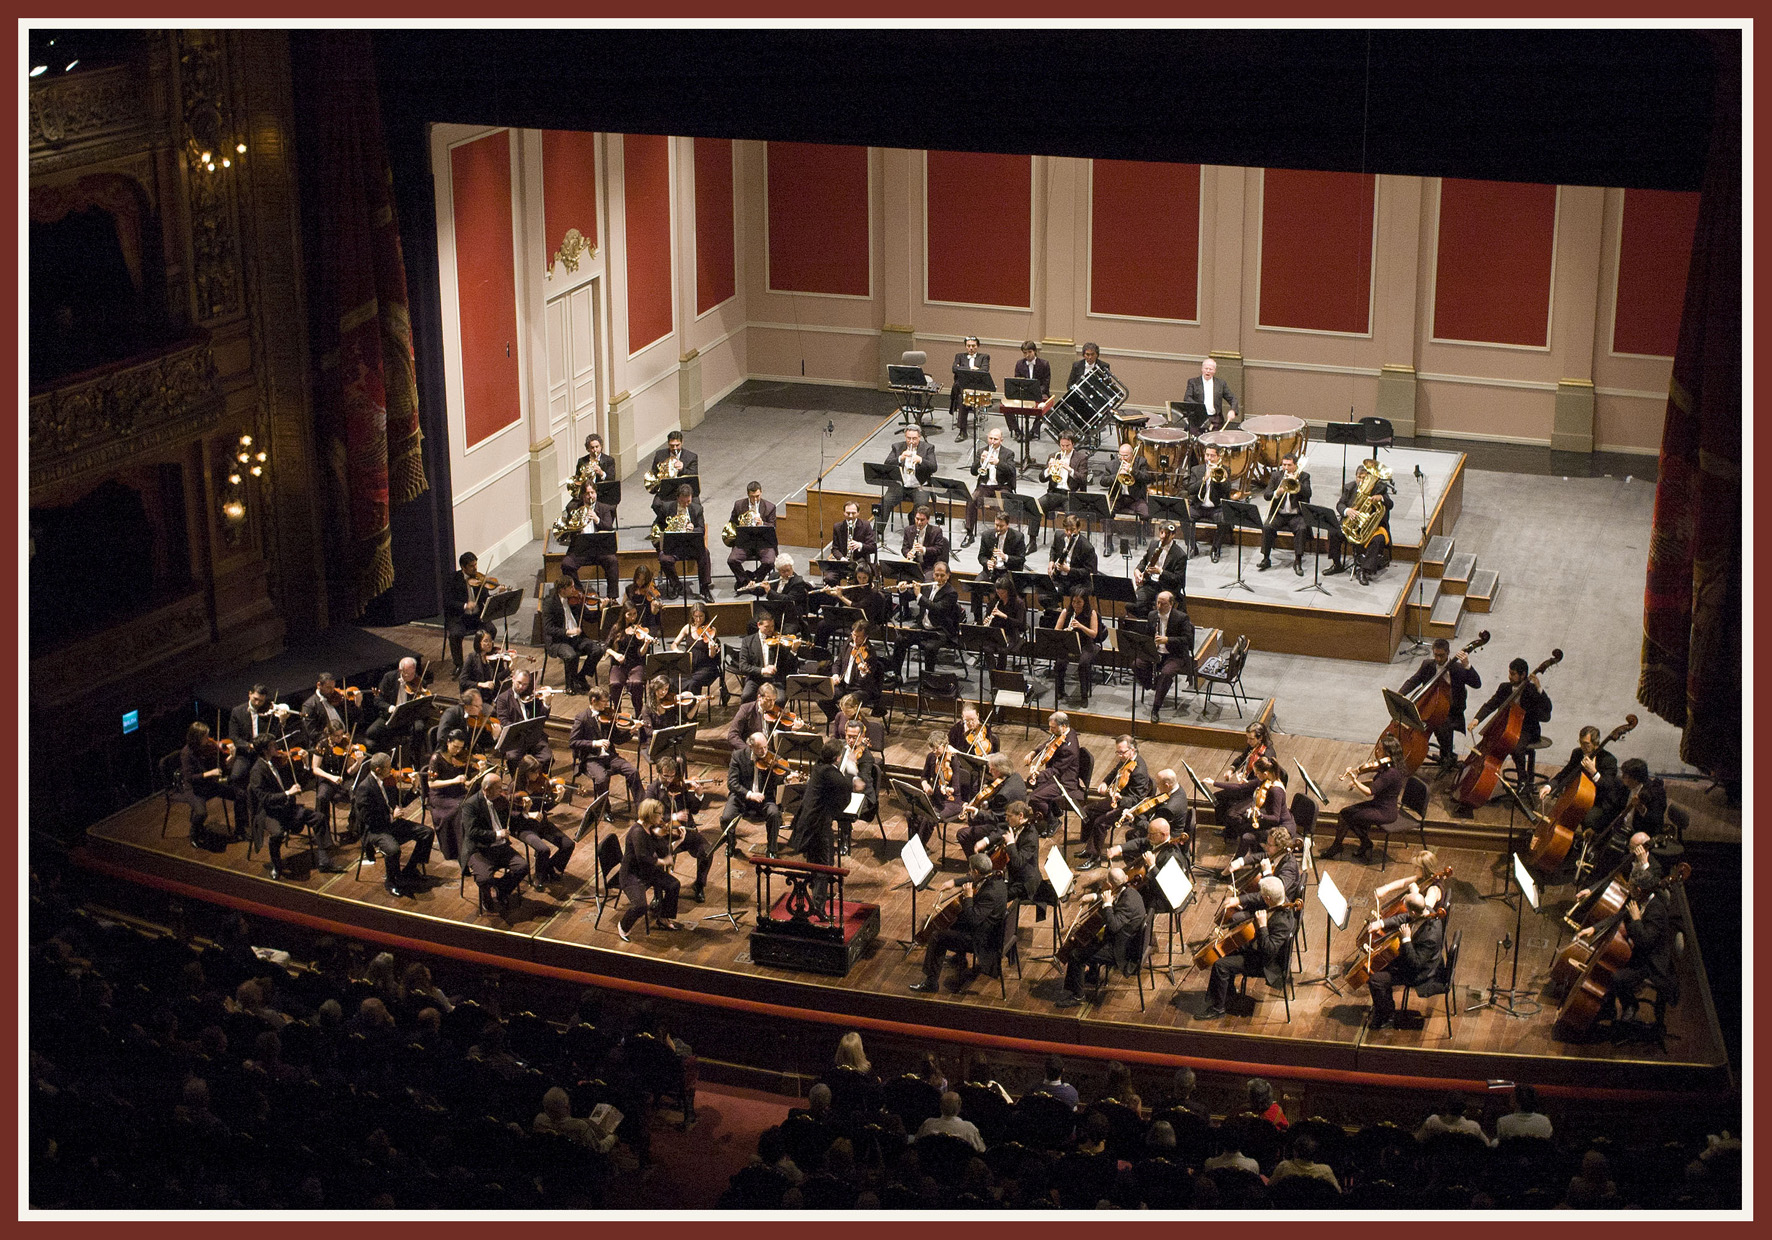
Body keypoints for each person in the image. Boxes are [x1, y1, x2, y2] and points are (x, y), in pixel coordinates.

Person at [911, 852, 1008, 995]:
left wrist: (968, 897)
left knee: (937, 937)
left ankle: (931, 983)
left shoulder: (989, 894)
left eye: (970, 870)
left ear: (976, 871)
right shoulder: (996, 878)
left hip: (982, 941)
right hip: (990, 930)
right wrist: (954, 882)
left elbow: (972, 919)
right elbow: (974, 879)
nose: (969, 873)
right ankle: (959, 959)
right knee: (954, 920)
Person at [1202, 875, 1295, 1019]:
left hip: (1267, 964)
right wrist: (1238, 900)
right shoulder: (1280, 900)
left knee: (1220, 965)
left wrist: (1263, 926)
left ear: (1268, 899)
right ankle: (1228, 992)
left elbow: (1269, 950)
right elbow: (1257, 897)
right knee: (1228, 949)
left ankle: (1218, 1009)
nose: (1260, 897)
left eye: (1263, 896)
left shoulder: (1283, 922)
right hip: (1259, 950)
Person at [1056, 865, 1145, 1008]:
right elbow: (1115, 897)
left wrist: (1107, 905)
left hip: (1121, 951)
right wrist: (1095, 897)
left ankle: (1078, 996)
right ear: (1126, 878)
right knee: (1092, 937)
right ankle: (1092, 976)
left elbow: (1114, 925)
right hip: (1126, 941)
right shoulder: (1130, 892)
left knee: (1075, 955)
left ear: (1109, 884)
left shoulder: (1127, 902)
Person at [1398, 637, 1484, 774]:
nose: (1438, 659)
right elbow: (1413, 681)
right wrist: (1400, 694)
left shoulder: (1458, 668)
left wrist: (1467, 665)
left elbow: (1477, 684)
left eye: (1441, 655)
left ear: (1448, 652)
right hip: (1429, 707)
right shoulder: (1427, 665)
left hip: (1451, 711)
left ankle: (1447, 757)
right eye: (1436, 655)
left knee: (1442, 727)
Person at [353, 752, 433, 898]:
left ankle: (410, 870)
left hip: (392, 824)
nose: (392, 770)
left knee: (427, 833)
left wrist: (414, 788)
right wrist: (391, 816)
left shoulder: (388, 781)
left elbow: (401, 802)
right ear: (378, 770)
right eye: (388, 767)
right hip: (375, 830)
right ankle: (391, 882)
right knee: (393, 850)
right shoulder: (365, 788)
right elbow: (367, 818)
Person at [246, 737, 325, 882]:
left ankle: (324, 859)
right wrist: (288, 793)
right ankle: (276, 865)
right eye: (273, 745)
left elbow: (300, 783)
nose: (277, 747)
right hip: (268, 812)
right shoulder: (257, 771)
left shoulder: (278, 762)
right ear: (265, 750)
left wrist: (306, 764)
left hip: (286, 807)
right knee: (277, 834)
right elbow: (265, 799)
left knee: (319, 818)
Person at [1365, 890, 1446, 1029]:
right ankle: (1384, 1004)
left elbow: (1415, 964)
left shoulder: (1430, 936)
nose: (1407, 913)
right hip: (1414, 959)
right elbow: (1405, 917)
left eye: (1407, 909)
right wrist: (1382, 923)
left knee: (1375, 980)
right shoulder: (1426, 911)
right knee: (1380, 965)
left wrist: (1406, 940)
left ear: (1413, 912)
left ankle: (1386, 1017)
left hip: (1421, 974)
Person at [1470, 657, 1554, 787]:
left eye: (1513, 674)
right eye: (1509, 673)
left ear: (1523, 675)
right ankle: (1480, 777)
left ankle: (1523, 781)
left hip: (1527, 730)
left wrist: (1539, 688)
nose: (1509, 677)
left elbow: (1547, 710)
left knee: (1516, 748)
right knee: (1486, 744)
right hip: (1506, 727)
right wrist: (1477, 719)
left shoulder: (1532, 690)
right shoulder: (1504, 687)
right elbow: (1491, 704)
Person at [643, 755, 717, 902]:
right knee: (658, 859)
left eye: (672, 776)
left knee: (706, 852)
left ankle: (699, 885)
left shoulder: (680, 786)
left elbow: (693, 810)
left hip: (686, 830)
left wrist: (699, 795)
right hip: (664, 833)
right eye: (666, 776)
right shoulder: (653, 790)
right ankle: (657, 895)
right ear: (658, 773)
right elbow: (649, 814)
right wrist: (673, 816)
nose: (670, 780)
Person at [1324, 733, 1407, 859]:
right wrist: (1359, 783)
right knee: (1346, 813)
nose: (1377, 751)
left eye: (1380, 749)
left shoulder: (1391, 773)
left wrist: (1355, 781)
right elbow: (1376, 782)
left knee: (1347, 816)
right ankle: (1363, 843)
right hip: (1377, 805)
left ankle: (1341, 846)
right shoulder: (1387, 767)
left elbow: (1369, 792)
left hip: (1385, 812)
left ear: (1389, 753)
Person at [788, 738, 850, 906]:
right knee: (824, 865)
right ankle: (818, 907)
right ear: (837, 758)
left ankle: (816, 898)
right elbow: (845, 790)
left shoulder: (819, 766)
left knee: (816, 862)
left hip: (809, 822)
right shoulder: (830, 773)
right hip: (817, 826)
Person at [460, 772, 529, 918]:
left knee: (522, 867)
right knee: (484, 879)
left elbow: (513, 823)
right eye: (498, 788)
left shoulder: (500, 801)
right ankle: (486, 897)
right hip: (480, 850)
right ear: (487, 789)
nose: (502, 790)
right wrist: (497, 835)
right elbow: (472, 832)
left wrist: (525, 812)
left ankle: (502, 889)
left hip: (500, 847)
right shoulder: (471, 805)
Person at [618, 799, 690, 938]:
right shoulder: (638, 832)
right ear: (650, 814)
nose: (662, 817)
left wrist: (679, 840)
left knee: (673, 885)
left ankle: (663, 918)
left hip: (647, 870)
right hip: (631, 875)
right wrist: (662, 861)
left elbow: (664, 851)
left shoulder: (651, 828)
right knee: (640, 906)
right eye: (659, 814)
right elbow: (643, 858)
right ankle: (623, 926)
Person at [1079, 734, 1154, 867]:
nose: (1119, 755)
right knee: (1087, 810)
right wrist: (1105, 782)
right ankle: (1088, 848)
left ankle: (1095, 859)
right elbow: (1115, 772)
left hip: (1127, 808)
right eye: (1117, 752)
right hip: (1117, 799)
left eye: (1122, 752)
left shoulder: (1139, 772)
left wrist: (1120, 798)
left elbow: (1136, 799)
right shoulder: (1126, 759)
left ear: (1132, 750)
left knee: (1100, 822)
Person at [568, 686, 645, 812]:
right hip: (591, 759)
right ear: (593, 700)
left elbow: (617, 739)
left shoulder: (608, 716)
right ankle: (605, 810)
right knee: (602, 778)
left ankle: (643, 809)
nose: (607, 705)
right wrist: (595, 743)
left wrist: (632, 730)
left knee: (633, 771)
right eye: (604, 702)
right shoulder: (582, 718)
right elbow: (573, 742)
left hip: (610, 756)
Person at [1542, 724, 1628, 833]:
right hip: (1579, 797)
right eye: (1581, 742)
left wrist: (1594, 772)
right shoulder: (1577, 753)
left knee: (1588, 820)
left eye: (1586, 744)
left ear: (1595, 743)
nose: (1582, 747)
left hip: (1599, 802)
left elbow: (1608, 787)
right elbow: (1565, 773)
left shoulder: (1608, 760)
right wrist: (1549, 786)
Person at [509, 754, 576, 886]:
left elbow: (545, 806)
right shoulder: (514, 787)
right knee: (543, 850)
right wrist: (528, 814)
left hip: (540, 822)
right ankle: (539, 877)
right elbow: (510, 814)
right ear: (526, 772)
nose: (538, 775)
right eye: (534, 772)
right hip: (522, 826)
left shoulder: (540, 784)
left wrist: (558, 799)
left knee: (568, 844)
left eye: (538, 771)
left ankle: (549, 867)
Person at [1128, 591, 1195, 720]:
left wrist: (1167, 640)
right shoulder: (1152, 615)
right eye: (1158, 603)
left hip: (1175, 655)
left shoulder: (1181, 618)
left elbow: (1188, 640)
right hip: (1156, 652)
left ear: (1171, 604)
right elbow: (1147, 636)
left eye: (1163, 604)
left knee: (1166, 673)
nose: (1159, 606)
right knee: (1136, 664)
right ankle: (1151, 685)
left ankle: (1155, 708)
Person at [1326, 458, 1394, 583]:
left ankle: (1364, 570)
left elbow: (1390, 504)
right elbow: (1340, 504)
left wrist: (1381, 498)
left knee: (1378, 539)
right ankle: (1337, 564)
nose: (1361, 480)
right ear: (1356, 477)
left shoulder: (1379, 488)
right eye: (1359, 477)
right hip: (1351, 525)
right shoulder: (1350, 487)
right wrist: (1347, 511)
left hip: (1371, 528)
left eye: (1364, 478)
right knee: (1333, 531)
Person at [889, 560, 960, 680]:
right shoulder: (927, 586)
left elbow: (936, 608)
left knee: (930, 648)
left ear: (948, 575)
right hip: (922, 626)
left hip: (940, 631)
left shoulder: (951, 593)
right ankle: (896, 676)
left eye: (942, 575)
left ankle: (928, 680)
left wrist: (919, 595)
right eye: (936, 575)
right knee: (901, 639)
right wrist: (903, 590)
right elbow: (909, 597)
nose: (939, 578)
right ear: (933, 574)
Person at [722, 732, 786, 856]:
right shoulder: (738, 756)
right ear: (751, 747)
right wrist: (749, 794)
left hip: (764, 798)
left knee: (774, 814)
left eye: (766, 747)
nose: (764, 751)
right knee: (726, 818)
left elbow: (778, 782)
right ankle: (730, 843)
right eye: (760, 748)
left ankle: (772, 849)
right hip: (742, 796)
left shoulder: (773, 759)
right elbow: (732, 783)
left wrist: (786, 778)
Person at [541, 574, 606, 695]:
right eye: (571, 587)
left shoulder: (576, 601)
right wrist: (567, 631)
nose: (574, 590)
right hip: (558, 641)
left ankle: (581, 676)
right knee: (571, 655)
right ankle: (569, 685)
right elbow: (548, 628)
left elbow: (590, 618)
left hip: (577, 639)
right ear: (562, 590)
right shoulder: (550, 603)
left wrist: (600, 608)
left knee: (598, 650)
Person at [954, 751, 1027, 854]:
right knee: (974, 821)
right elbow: (1000, 805)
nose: (989, 771)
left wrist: (976, 812)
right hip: (1013, 818)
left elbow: (996, 818)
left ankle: (977, 860)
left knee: (962, 834)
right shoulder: (1016, 777)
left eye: (992, 769)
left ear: (999, 770)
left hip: (1003, 826)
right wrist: (987, 803)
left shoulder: (1004, 794)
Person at [177, 721, 234, 851]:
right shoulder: (186, 753)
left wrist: (231, 757)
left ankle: (240, 830)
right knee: (201, 813)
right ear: (197, 738)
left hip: (208, 784)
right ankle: (194, 833)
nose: (208, 739)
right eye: (205, 737)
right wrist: (210, 773)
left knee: (239, 794)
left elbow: (221, 765)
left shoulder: (206, 747)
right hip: (194, 788)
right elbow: (189, 778)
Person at [654, 483, 713, 602]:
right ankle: (676, 585)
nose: (686, 504)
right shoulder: (667, 508)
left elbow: (701, 529)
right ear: (678, 498)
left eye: (688, 501)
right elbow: (657, 525)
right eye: (683, 502)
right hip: (673, 547)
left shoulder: (697, 509)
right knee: (664, 559)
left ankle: (705, 588)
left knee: (705, 553)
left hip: (691, 545)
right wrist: (659, 539)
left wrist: (693, 528)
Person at [1024, 711, 1081, 833]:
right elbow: (1048, 743)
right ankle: (1054, 809)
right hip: (1056, 776)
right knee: (1030, 781)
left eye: (1053, 728)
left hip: (1064, 781)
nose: (1050, 730)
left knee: (1034, 798)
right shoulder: (1065, 732)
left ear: (1063, 726)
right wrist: (1034, 752)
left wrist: (1039, 774)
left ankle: (1053, 822)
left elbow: (1057, 770)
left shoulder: (1069, 749)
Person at [1257, 452, 1312, 576]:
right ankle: (1266, 558)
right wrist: (1277, 493)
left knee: (1302, 528)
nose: (1286, 468)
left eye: (1289, 465)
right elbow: (1266, 495)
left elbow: (1308, 493)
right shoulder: (1276, 476)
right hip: (1279, 514)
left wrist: (1296, 482)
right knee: (1267, 526)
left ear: (1296, 465)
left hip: (1296, 515)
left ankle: (1298, 561)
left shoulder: (1304, 476)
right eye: (1284, 465)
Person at [424, 730, 476, 862]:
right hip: (440, 796)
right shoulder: (436, 758)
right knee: (460, 808)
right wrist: (453, 781)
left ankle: (473, 843)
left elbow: (465, 779)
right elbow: (431, 783)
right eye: (455, 747)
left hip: (456, 792)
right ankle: (460, 850)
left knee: (473, 802)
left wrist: (476, 776)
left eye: (460, 747)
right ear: (448, 742)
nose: (458, 751)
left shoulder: (458, 757)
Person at [831, 721, 880, 857]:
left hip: (862, 796)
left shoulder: (866, 757)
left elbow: (862, 782)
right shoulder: (840, 747)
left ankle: (844, 839)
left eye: (855, 737)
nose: (851, 740)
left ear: (862, 736)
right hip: (841, 791)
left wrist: (854, 771)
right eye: (849, 736)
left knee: (842, 806)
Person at [367, 656, 431, 757]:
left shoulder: (419, 682)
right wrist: (390, 707)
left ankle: (415, 757)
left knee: (419, 728)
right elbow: (378, 700)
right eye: (408, 674)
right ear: (400, 670)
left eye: (413, 673)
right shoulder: (389, 678)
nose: (412, 677)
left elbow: (423, 706)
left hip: (411, 717)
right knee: (371, 732)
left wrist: (421, 699)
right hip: (391, 716)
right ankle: (385, 755)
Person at [493, 668, 556, 771]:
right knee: (513, 758)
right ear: (513, 679)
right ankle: (520, 779)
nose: (521, 687)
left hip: (533, 736)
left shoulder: (532, 696)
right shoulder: (503, 698)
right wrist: (519, 727)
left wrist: (546, 703)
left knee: (547, 757)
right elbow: (504, 721)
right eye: (519, 683)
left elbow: (542, 718)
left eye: (525, 684)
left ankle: (537, 777)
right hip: (516, 739)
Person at [444, 550, 500, 666]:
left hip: (477, 618)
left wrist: (498, 594)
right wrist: (465, 605)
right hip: (460, 618)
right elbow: (448, 602)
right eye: (471, 566)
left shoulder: (479, 579)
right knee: (455, 635)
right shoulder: (452, 579)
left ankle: (482, 657)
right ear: (463, 567)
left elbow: (486, 599)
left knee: (491, 630)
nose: (475, 568)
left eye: (475, 565)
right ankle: (459, 665)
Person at [879, 425, 938, 530]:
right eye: (908, 438)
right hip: (900, 485)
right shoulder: (897, 447)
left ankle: (913, 525)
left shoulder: (928, 448)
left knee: (921, 504)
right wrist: (900, 458)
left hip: (919, 485)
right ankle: (877, 532)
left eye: (914, 438)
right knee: (886, 501)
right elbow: (887, 464)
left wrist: (921, 460)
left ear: (919, 437)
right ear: (905, 437)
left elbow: (933, 467)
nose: (911, 441)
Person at [1049, 588, 1100, 708]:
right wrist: (1065, 632)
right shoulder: (1066, 612)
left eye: (1079, 602)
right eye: (1073, 601)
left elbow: (1094, 634)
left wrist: (1081, 626)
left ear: (1085, 602)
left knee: (1083, 664)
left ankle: (1084, 695)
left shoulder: (1091, 613)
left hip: (1086, 644)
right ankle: (1060, 690)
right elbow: (1056, 630)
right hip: (1069, 643)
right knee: (1060, 662)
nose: (1076, 605)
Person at [734, 611, 799, 704]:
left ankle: (774, 714)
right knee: (746, 696)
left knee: (780, 700)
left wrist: (793, 650)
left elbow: (788, 665)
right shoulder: (747, 641)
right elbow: (743, 666)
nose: (770, 630)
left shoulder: (779, 641)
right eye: (767, 627)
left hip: (775, 680)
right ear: (759, 625)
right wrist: (762, 670)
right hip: (755, 679)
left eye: (772, 626)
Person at [1037, 435, 1091, 547]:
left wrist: (1070, 470)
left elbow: (1083, 479)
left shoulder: (1081, 458)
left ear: (1073, 444)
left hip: (1071, 494)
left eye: (1067, 446)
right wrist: (1048, 470)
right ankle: (1033, 541)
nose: (1064, 448)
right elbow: (1041, 479)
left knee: (1070, 518)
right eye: (1062, 446)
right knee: (1035, 507)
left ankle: (1071, 543)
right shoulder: (1053, 456)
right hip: (1054, 493)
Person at [602, 601, 656, 716]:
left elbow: (640, 654)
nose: (633, 617)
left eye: (635, 614)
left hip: (636, 663)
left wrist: (646, 644)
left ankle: (638, 713)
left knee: (636, 683)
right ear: (624, 614)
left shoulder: (639, 630)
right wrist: (616, 655)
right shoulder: (616, 628)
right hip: (619, 665)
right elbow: (606, 647)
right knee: (615, 684)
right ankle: (617, 712)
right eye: (629, 614)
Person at [1183, 443, 1233, 561]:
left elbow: (1227, 490)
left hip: (1216, 508)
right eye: (1207, 455)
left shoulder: (1225, 470)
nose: (1209, 458)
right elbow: (1190, 490)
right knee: (1184, 517)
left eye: (1212, 456)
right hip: (1198, 506)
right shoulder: (1196, 470)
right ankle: (1192, 547)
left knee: (1224, 519)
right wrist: (1203, 480)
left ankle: (1215, 548)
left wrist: (1217, 479)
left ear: (1218, 457)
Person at [725, 480, 779, 589]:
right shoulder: (739, 505)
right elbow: (732, 522)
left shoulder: (770, 507)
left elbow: (773, 526)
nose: (755, 499)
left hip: (764, 543)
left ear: (761, 493)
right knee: (732, 560)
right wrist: (741, 525)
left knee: (769, 562)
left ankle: (754, 578)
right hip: (745, 542)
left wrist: (762, 523)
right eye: (752, 496)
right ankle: (747, 581)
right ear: (748, 494)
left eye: (757, 496)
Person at [741, 553, 812, 635]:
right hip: (772, 614)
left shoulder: (798, 581)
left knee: (788, 632)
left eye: (788, 570)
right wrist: (753, 588)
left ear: (792, 567)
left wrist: (770, 591)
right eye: (783, 571)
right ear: (778, 570)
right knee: (752, 625)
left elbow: (788, 599)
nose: (787, 573)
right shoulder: (773, 576)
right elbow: (761, 591)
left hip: (790, 617)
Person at [671, 600, 727, 702]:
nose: (698, 619)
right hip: (690, 666)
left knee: (693, 682)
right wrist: (677, 651)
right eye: (695, 616)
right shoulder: (687, 628)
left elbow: (712, 656)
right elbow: (674, 644)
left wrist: (711, 648)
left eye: (701, 616)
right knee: (674, 679)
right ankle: (679, 706)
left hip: (707, 668)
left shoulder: (711, 630)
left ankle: (692, 708)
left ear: (705, 615)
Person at [971, 510, 1026, 608]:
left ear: (1008, 525)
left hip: (1008, 571)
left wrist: (1005, 557)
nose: (998, 528)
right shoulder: (986, 535)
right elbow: (981, 556)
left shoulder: (1018, 537)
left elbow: (1021, 559)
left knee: (1005, 588)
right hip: (991, 571)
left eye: (1001, 526)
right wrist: (987, 562)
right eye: (996, 525)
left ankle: (1005, 613)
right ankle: (977, 616)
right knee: (976, 586)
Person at [1131, 520, 1187, 613]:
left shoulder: (1180, 555)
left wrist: (1161, 572)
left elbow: (1178, 579)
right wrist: (1137, 570)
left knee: (1161, 608)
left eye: (1167, 534)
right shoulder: (1153, 544)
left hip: (1166, 587)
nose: (1163, 536)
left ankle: (1154, 617)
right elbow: (1144, 561)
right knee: (1131, 605)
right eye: (1162, 532)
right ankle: (1150, 617)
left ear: (1173, 535)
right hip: (1150, 584)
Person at [1100, 440, 1153, 532]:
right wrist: (1117, 476)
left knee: (1146, 514)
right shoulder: (1111, 464)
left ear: (1132, 455)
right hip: (1118, 498)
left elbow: (1147, 478)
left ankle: (1144, 534)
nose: (1122, 458)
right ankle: (1108, 537)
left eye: (1125, 456)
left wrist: (1132, 470)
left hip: (1135, 498)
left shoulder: (1141, 462)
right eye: (1120, 455)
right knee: (1107, 512)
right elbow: (1103, 481)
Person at [824, 500, 877, 586]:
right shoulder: (838, 527)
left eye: (853, 513)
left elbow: (872, 548)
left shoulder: (866, 526)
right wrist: (841, 558)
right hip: (843, 563)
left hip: (860, 564)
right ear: (844, 513)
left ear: (858, 513)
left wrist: (860, 545)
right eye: (848, 513)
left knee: (858, 578)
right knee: (829, 578)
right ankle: (836, 594)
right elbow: (835, 548)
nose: (851, 516)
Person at [914, 1091, 985, 1152]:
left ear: (940, 1105)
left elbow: (916, 1143)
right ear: (959, 1105)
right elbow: (981, 1150)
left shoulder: (928, 1124)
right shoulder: (968, 1128)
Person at [948, 336, 990, 439]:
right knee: (962, 394)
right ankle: (963, 431)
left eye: (973, 346)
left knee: (962, 398)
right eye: (968, 346)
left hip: (977, 387)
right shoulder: (959, 356)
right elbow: (954, 369)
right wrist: (972, 368)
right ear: (966, 346)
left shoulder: (984, 357)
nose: (971, 348)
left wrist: (962, 368)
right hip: (961, 386)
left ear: (977, 346)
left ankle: (962, 431)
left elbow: (984, 370)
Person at [646, 430, 699, 508]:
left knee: (697, 507)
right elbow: (654, 472)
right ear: (668, 443)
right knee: (656, 505)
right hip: (667, 490)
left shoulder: (691, 457)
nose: (675, 448)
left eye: (677, 445)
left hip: (685, 490)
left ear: (682, 442)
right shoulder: (659, 455)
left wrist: (683, 469)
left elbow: (694, 475)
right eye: (672, 445)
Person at [1181, 356, 1238, 429]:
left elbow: (1233, 399)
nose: (1208, 371)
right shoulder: (1193, 382)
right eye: (1206, 368)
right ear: (1202, 369)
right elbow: (1187, 398)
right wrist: (1200, 408)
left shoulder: (1221, 383)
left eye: (1210, 369)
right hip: (1198, 418)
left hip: (1215, 419)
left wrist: (1233, 410)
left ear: (1214, 371)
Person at [1414, 1091, 1492, 1144]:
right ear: (1464, 1108)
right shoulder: (1473, 1127)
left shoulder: (1432, 1122)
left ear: (1446, 1106)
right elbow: (1487, 1145)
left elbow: (1418, 1141)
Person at [897, 505, 950, 578]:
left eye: (922, 520)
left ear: (928, 520)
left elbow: (938, 549)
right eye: (917, 519)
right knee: (901, 577)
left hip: (930, 566)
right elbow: (904, 548)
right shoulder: (908, 530)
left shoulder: (936, 531)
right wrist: (908, 553)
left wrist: (924, 549)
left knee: (926, 579)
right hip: (914, 564)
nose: (919, 522)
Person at [1270, 1134, 1338, 1191]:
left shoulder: (1284, 1166)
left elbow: (1270, 1187)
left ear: (1295, 1151)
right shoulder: (1325, 1171)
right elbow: (1338, 1192)